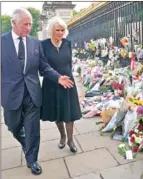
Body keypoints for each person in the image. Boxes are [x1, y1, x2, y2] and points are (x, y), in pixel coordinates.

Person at [1, 8, 74, 175]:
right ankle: (28, 144)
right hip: (11, 94)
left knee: (33, 128)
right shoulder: (2, 42)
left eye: (30, 24)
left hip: (32, 93)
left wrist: (57, 77)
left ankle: (32, 159)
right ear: (13, 23)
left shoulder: (35, 43)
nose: (28, 28)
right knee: (12, 126)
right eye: (24, 24)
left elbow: (43, 66)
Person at [40, 16, 82, 153]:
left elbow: (69, 63)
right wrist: (57, 77)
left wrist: (68, 76)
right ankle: (62, 136)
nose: (60, 32)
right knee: (58, 113)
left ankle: (70, 139)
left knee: (69, 113)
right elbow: (42, 66)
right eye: (57, 30)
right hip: (52, 84)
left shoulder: (67, 43)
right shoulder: (44, 45)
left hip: (68, 82)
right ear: (51, 30)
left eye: (62, 30)